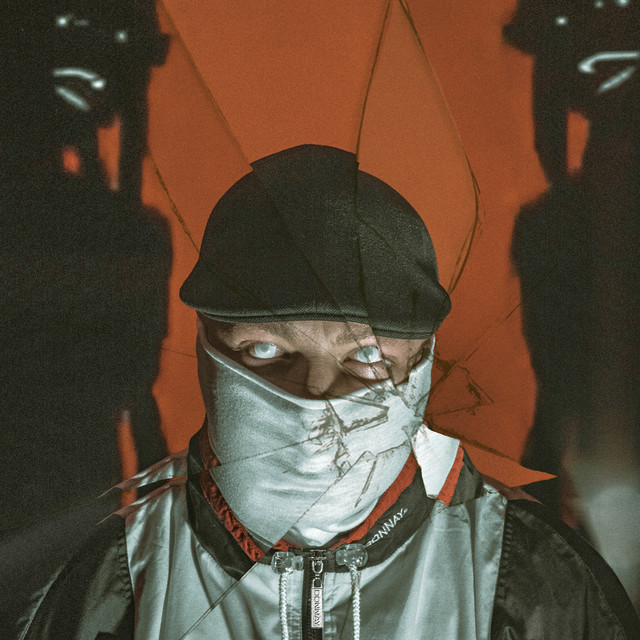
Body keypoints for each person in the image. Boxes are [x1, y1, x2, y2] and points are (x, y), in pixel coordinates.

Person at [16, 145, 640, 639]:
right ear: (207, 350)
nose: (316, 397)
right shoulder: (114, 579)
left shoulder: (530, 580)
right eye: (266, 351)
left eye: (366, 357)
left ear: (421, 364)